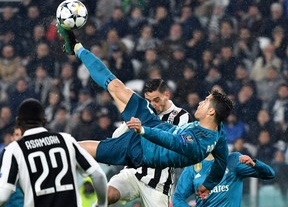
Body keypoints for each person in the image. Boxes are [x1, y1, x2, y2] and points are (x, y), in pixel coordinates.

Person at [57, 24, 234, 198]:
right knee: (117, 87)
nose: (200, 103)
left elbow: (173, 141)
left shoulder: (197, 145)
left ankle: (52, 154)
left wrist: (143, 130)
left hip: (141, 152)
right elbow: (221, 161)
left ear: (212, 112)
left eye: (205, 102)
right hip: (151, 122)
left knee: (90, 150)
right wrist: (208, 184)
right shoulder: (218, 133)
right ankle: (77, 47)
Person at [0, 98, 108, 207]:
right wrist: (101, 204)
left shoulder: (14, 149)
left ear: (18, 121)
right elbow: (98, 175)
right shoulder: (66, 140)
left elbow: (3, 195)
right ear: (44, 121)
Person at [108, 79, 192, 206]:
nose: (152, 104)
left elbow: (176, 145)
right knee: (107, 194)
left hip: (159, 182)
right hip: (133, 172)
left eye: (156, 100)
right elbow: (116, 137)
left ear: (167, 95)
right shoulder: (142, 112)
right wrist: (128, 124)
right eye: (148, 100)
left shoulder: (181, 116)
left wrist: (144, 129)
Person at [173, 152, 275, 207]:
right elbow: (177, 198)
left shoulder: (233, 160)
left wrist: (254, 164)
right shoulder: (193, 167)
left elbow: (269, 174)